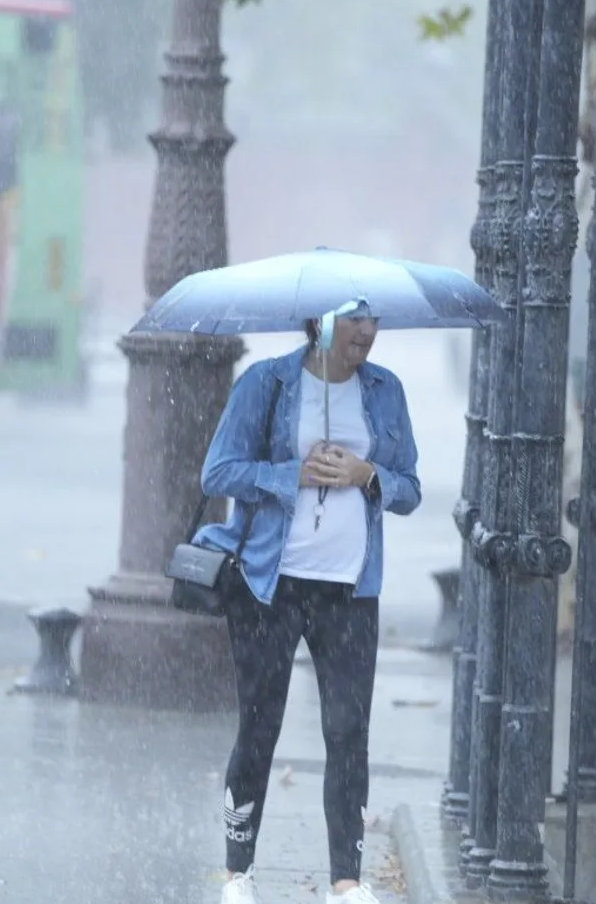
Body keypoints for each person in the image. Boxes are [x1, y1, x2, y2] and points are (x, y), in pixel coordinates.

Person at [192, 298, 422, 904]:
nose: (368, 331)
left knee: (348, 731)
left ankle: (346, 879)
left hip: (350, 590)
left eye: (374, 320)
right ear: (319, 322)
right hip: (271, 584)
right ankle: (237, 871)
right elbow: (218, 473)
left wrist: (365, 474)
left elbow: (410, 489)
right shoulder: (266, 383)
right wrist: (288, 473)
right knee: (259, 727)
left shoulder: (386, 391)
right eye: (355, 319)